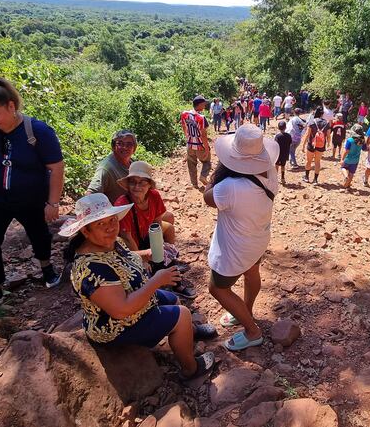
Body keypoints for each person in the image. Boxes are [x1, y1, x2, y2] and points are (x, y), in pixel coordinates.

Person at [62, 194, 216, 379]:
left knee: (173, 299)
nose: (110, 227)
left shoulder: (109, 242)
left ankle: (188, 332)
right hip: (116, 326)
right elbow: (121, 310)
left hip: (136, 297)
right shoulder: (90, 269)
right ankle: (191, 369)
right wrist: (157, 281)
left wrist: (146, 254)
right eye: (100, 224)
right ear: (85, 231)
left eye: (112, 220)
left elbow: (127, 256)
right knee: (182, 314)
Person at [0, 78, 65, 309]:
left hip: (30, 197)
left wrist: (53, 202)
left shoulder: (37, 131)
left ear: (10, 106)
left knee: (39, 234)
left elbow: (56, 167)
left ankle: (47, 268)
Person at [203, 123, 278, 351]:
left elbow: (207, 197)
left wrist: (217, 173)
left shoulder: (229, 187)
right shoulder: (269, 172)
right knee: (251, 271)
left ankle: (252, 331)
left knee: (217, 288)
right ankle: (246, 310)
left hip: (235, 248)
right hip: (257, 238)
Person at [113, 161, 196, 298]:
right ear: (128, 184)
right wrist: (143, 258)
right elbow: (127, 237)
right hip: (131, 245)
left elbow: (157, 223)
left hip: (147, 234)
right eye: (133, 182)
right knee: (150, 261)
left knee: (163, 249)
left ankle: (174, 280)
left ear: (149, 185)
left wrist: (159, 246)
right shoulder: (123, 204)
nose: (137, 187)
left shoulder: (154, 196)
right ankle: (160, 287)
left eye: (142, 182)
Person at [86, 130, 138, 203]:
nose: (125, 147)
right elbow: (91, 194)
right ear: (113, 147)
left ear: (134, 149)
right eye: (120, 143)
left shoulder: (134, 164)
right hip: (116, 212)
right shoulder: (106, 168)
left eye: (129, 144)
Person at [180, 96, 212, 189]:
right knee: (207, 162)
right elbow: (203, 135)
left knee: (191, 164)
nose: (205, 105)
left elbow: (184, 126)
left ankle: (194, 184)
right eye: (203, 103)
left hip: (190, 145)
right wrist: (207, 148)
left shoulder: (184, 114)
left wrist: (188, 137)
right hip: (200, 146)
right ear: (199, 104)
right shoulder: (201, 118)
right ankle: (203, 176)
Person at [301, 106, 330, 184]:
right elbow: (328, 135)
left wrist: (303, 145)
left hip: (311, 144)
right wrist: (328, 144)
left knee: (308, 161)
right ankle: (315, 180)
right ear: (322, 114)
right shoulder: (326, 123)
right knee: (317, 162)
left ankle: (306, 177)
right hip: (321, 145)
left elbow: (307, 134)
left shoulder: (312, 122)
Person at [341, 124, 365, 189]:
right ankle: (347, 185)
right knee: (351, 173)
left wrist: (342, 159)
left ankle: (346, 176)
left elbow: (346, 151)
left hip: (347, 159)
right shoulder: (362, 140)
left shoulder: (350, 140)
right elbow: (364, 149)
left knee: (343, 168)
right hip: (355, 160)